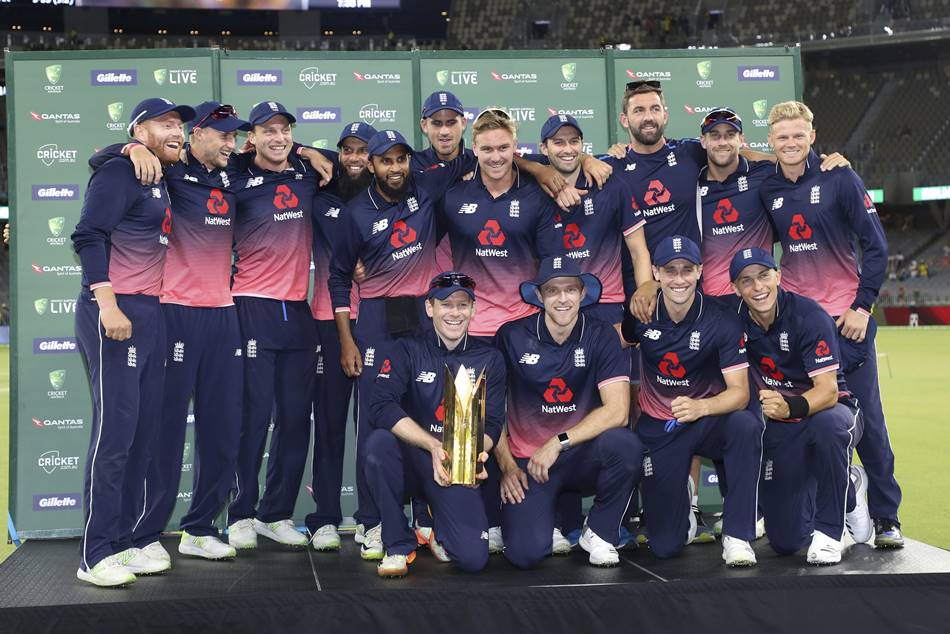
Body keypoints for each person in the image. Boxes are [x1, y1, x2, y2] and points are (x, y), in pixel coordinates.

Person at [99, 102, 250, 562]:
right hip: (175, 313)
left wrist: (309, 152)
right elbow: (102, 159)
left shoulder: (234, 173)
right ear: (196, 134)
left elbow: (278, 156)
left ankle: (199, 528)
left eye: (234, 136)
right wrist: (131, 147)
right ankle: (144, 534)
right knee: (163, 432)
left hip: (224, 314)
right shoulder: (166, 171)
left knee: (224, 429)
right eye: (223, 135)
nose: (231, 143)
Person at [759, 101, 903, 548]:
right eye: (782, 136)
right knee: (810, 423)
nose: (790, 143)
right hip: (800, 329)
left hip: (846, 323)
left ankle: (887, 516)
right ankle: (837, 504)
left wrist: (863, 306)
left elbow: (876, 246)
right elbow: (735, 155)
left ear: (813, 136)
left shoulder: (840, 177)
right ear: (771, 140)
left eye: (798, 135)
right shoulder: (767, 186)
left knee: (869, 422)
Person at [329, 129, 476, 559]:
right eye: (385, 161)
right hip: (376, 319)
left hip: (423, 314)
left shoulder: (427, 188)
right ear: (371, 165)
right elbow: (338, 278)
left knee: (429, 413)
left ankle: (427, 518)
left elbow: (479, 156)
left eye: (401, 159)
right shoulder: (356, 213)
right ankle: (372, 522)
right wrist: (346, 340)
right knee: (375, 423)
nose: (395, 168)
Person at [71, 97, 194, 586]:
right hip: (113, 310)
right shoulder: (121, 171)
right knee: (115, 434)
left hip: (149, 311)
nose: (177, 131)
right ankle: (94, 554)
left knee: (142, 435)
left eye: (179, 125)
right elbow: (88, 235)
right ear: (139, 130)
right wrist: (106, 305)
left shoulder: (161, 172)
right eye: (165, 124)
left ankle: (122, 543)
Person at [618, 236, 762, 566]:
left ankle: (738, 536)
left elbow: (740, 393)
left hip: (707, 421)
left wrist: (702, 407)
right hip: (661, 427)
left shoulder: (721, 319)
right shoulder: (641, 312)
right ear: (656, 273)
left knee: (745, 424)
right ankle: (682, 493)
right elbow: (620, 339)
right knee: (665, 545)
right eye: (670, 270)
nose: (679, 279)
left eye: (687, 270)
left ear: (700, 271)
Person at [495, 257, 642, 569]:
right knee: (525, 554)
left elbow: (618, 411)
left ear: (582, 293)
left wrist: (557, 442)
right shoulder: (511, 336)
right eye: (553, 291)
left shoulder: (601, 335)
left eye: (570, 290)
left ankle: (599, 532)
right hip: (531, 462)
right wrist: (507, 466)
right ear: (539, 296)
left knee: (625, 445)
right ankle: (545, 522)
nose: (562, 299)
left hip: (579, 454)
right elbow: (491, 411)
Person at [730, 247, 872, 564]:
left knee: (827, 427)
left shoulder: (808, 315)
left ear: (778, 276)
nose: (758, 287)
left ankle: (830, 533)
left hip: (832, 410)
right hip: (783, 426)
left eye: (764, 276)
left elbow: (828, 391)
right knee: (786, 541)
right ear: (735, 289)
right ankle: (846, 487)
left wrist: (788, 407)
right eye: (747, 280)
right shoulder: (733, 319)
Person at [225, 102, 324, 550]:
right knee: (252, 417)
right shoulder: (236, 175)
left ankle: (276, 513)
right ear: (252, 137)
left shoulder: (307, 173)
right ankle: (240, 513)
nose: (278, 137)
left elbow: (348, 161)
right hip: (252, 305)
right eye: (268, 130)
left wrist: (308, 150)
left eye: (284, 130)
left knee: (295, 419)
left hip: (297, 309)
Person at [365, 272, 507, 577]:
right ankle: (398, 544)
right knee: (378, 444)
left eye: (462, 305)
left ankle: (433, 522)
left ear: (473, 309)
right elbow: (380, 406)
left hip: (454, 467)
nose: (455, 313)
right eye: (446, 304)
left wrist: (475, 456)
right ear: (430, 308)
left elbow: (493, 423)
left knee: (473, 559)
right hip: (413, 459)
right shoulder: (406, 348)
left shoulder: (490, 358)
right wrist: (431, 445)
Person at [305, 121, 376, 551]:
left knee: (372, 427)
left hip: (377, 323)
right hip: (328, 321)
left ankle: (372, 518)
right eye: (346, 150)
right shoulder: (321, 196)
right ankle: (325, 517)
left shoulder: (389, 199)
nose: (354, 158)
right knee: (330, 424)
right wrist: (310, 152)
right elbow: (264, 147)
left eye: (362, 150)